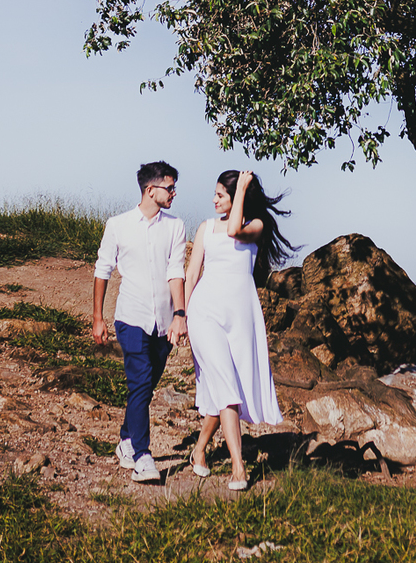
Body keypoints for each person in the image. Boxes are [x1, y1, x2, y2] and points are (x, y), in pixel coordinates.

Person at [185, 168, 293, 490]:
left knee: (226, 387)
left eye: (221, 194)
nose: (214, 199)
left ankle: (199, 450)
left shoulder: (256, 226)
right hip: (204, 313)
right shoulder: (206, 228)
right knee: (227, 388)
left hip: (240, 316)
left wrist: (244, 188)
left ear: (236, 198)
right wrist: (185, 317)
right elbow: (192, 275)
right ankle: (238, 466)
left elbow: (234, 229)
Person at [92, 159, 188, 484]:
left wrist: (179, 315)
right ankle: (143, 457)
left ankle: (126, 439)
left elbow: (177, 271)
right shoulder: (117, 225)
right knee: (140, 380)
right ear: (151, 189)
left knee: (144, 388)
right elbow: (102, 270)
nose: (174, 192)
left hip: (163, 321)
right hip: (130, 318)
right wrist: (97, 318)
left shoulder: (175, 226)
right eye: (169, 187)